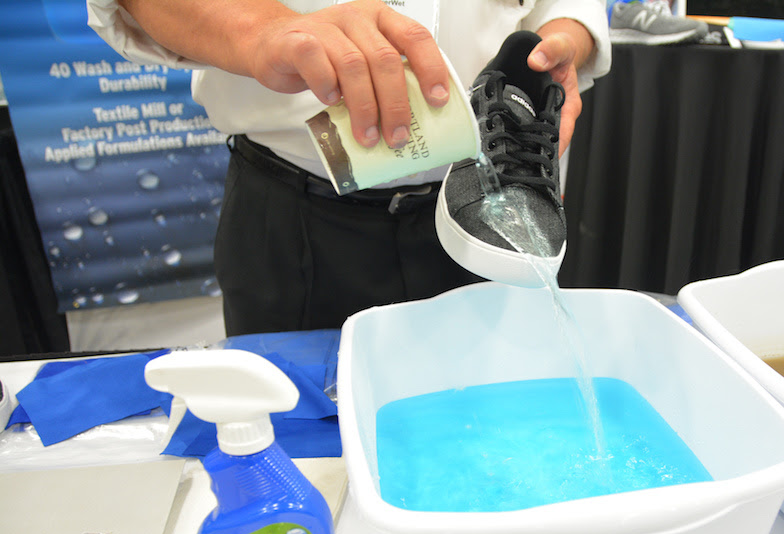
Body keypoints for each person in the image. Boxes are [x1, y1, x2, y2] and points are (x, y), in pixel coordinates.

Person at [88, 0, 611, 335]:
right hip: (292, 214)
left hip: (482, 194)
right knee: (293, 436)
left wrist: (564, 37)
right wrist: (266, 30)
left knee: (494, 424)